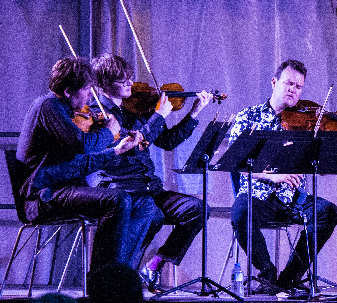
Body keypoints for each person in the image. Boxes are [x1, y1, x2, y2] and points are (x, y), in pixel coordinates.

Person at [228, 59, 337, 295]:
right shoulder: (248, 117)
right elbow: (236, 163)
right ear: (274, 82)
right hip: (257, 196)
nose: (294, 90)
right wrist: (274, 177)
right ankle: (267, 273)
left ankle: (288, 278)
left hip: (293, 197)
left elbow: (323, 167)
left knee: (328, 212)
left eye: (299, 86)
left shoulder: (306, 122)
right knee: (240, 212)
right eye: (289, 83)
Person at [90, 53, 214, 292]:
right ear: (104, 86)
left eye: (129, 78)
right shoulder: (101, 115)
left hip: (151, 189)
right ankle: (122, 281)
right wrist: (159, 115)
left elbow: (167, 141)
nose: (130, 85)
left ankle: (153, 266)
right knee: (152, 214)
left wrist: (194, 113)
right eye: (122, 81)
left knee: (198, 209)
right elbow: (132, 141)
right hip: (123, 190)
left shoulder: (138, 107)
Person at [16, 57, 147, 274]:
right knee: (117, 200)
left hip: (60, 188)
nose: (89, 95)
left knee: (140, 204)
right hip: (43, 196)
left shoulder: (63, 111)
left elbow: (77, 162)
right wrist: (109, 132)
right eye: (87, 89)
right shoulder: (48, 106)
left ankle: (120, 273)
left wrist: (117, 150)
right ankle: (103, 283)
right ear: (68, 91)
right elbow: (82, 145)